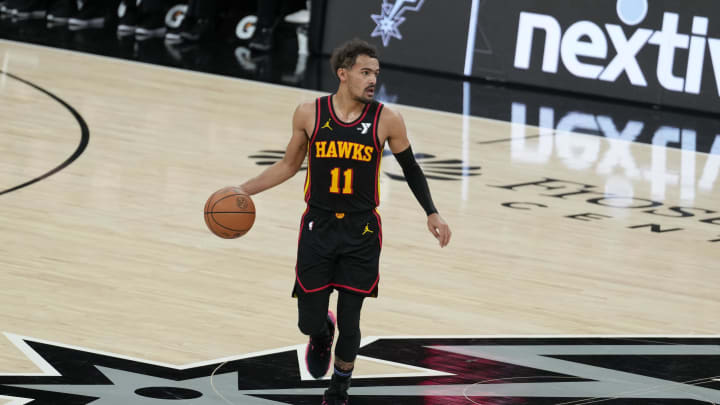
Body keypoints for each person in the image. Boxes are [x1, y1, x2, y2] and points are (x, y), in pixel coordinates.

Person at [235, 38, 451, 404]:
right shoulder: (309, 113)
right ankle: (321, 333)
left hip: (361, 231)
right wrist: (240, 190)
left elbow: (411, 169)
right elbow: (289, 166)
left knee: (352, 319)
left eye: (376, 74)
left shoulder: (387, 119)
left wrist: (432, 211)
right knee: (309, 320)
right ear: (343, 74)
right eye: (365, 73)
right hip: (317, 227)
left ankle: (339, 388)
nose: (373, 80)